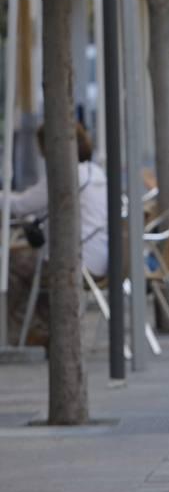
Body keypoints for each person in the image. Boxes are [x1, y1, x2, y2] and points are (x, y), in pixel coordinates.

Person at [3, 123, 108, 346]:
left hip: (76, 261)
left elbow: (22, 205)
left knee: (10, 264)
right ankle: (43, 328)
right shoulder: (95, 172)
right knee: (28, 263)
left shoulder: (63, 175)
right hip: (101, 258)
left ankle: (25, 331)